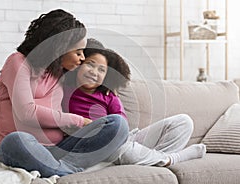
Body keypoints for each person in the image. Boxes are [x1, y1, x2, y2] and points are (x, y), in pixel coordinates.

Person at [0, 9, 129, 178]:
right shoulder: (17, 62)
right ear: (60, 48)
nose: (81, 58)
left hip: (61, 150)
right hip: (24, 148)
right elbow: (26, 113)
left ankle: (63, 168)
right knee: (15, 141)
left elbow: (94, 73)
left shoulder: (60, 73)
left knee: (118, 124)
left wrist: (107, 87)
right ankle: (67, 171)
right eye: (78, 52)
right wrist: (78, 121)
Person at [63, 38, 206, 167]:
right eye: (90, 64)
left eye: (101, 70)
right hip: (98, 145)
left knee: (183, 122)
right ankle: (170, 160)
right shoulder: (64, 90)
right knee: (123, 150)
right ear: (79, 66)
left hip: (124, 139)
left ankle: (153, 159)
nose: (94, 72)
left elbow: (122, 126)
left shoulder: (109, 95)